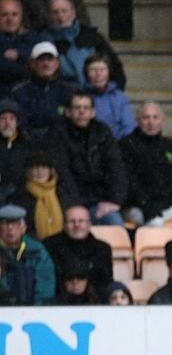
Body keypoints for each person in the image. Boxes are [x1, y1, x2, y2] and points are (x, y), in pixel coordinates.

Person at [49, 91, 128, 226]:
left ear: (93, 112)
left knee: (115, 222)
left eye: (86, 108)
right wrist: (76, 206)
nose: (81, 112)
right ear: (68, 112)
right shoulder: (58, 134)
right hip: (68, 203)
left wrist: (114, 201)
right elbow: (63, 174)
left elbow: (116, 169)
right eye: (77, 108)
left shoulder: (103, 132)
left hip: (99, 203)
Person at [119, 101, 172, 227]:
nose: (151, 122)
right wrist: (147, 207)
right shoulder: (126, 146)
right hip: (137, 206)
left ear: (162, 120)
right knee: (156, 223)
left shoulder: (171, 147)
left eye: (155, 117)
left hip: (167, 204)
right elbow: (129, 183)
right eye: (146, 118)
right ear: (138, 120)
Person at [42, 0, 126, 89]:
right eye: (55, 12)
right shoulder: (43, 40)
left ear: (73, 13)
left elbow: (115, 67)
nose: (60, 16)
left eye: (64, 11)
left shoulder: (92, 36)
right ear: (49, 15)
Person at [9, 41, 74, 139]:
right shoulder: (19, 92)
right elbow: (20, 124)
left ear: (57, 64)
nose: (46, 64)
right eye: (41, 60)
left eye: (50, 59)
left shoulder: (69, 91)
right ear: (32, 64)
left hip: (61, 144)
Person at [43, 204, 113, 293]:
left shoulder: (102, 249)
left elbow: (105, 283)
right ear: (64, 225)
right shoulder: (49, 246)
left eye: (81, 221)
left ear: (89, 224)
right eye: (72, 221)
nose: (77, 225)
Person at [0, 202, 53, 304]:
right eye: (5, 223)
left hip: (33, 313)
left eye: (15, 223)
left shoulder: (37, 251)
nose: (10, 229)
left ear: (23, 228)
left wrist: (36, 310)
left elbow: (45, 287)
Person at [11, 149, 69, 239]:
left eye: (44, 167)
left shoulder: (63, 193)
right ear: (27, 172)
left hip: (63, 245)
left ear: (51, 171)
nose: (39, 171)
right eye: (35, 168)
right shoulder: (19, 197)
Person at [83, 53, 133, 139]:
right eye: (93, 70)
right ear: (86, 73)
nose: (98, 74)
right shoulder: (79, 97)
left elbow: (129, 126)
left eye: (102, 70)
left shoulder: (120, 97)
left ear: (109, 72)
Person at [0, 0, 38, 89]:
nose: (10, 19)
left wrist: (19, 54)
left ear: (21, 17)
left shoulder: (35, 39)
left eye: (14, 14)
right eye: (5, 15)